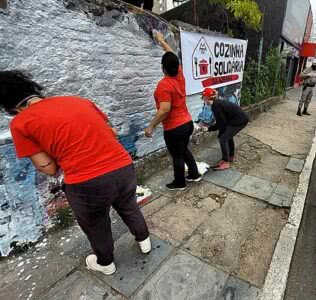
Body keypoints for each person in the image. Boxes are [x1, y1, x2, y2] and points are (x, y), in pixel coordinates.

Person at [0, 71, 151, 276]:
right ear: (31, 88)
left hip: (86, 183)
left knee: (96, 223)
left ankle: (105, 263)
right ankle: (144, 241)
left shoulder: (20, 122)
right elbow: (112, 133)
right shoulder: (79, 101)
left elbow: (49, 168)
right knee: (129, 206)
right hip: (123, 167)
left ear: (10, 106)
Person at [145, 32, 201, 190]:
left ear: (163, 67)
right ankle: (194, 174)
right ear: (176, 66)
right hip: (187, 123)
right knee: (183, 150)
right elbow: (172, 55)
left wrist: (151, 127)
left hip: (174, 128)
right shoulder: (180, 75)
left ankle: (180, 182)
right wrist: (162, 41)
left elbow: (164, 110)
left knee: (177, 155)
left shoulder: (164, 85)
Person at [202, 88, 249, 171]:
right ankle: (230, 156)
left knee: (223, 139)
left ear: (206, 98)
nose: (203, 100)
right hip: (234, 120)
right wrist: (214, 130)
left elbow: (221, 124)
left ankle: (225, 162)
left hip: (240, 121)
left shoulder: (216, 106)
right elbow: (222, 122)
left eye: (203, 98)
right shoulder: (217, 103)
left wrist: (209, 129)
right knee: (226, 136)